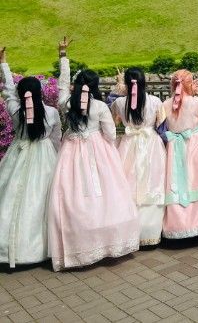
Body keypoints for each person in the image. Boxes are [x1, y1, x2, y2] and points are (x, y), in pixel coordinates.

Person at [49, 37, 139, 271]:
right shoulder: (99, 106)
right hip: (98, 150)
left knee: (74, 194)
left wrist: (63, 56)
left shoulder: (67, 103)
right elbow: (110, 133)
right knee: (106, 193)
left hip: (71, 150)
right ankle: (108, 240)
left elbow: (62, 87)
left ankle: (78, 243)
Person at [0, 47, 61, 268]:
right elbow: (56, 138)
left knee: (11, 199)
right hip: (45, 158)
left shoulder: (16, 110)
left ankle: (9, 248)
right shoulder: (52, 113)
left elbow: (8, 91)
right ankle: (41, 248)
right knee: (42, 201)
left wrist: (4, 63)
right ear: (40, 93)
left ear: (21, 93)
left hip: (18, 153)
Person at [111, 67, 167, 247]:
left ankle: (128, 231)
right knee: (153, 184)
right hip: (151, 145)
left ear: (126, 83)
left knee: (128, 183)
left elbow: (113, 123)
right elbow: (162, 125)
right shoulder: (156, 101)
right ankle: (150, 232)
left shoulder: (119, 103)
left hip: (128, 146)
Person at [161, 69, 198, 239]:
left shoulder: (165, 105)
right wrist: (194, 94)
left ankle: (177, 225)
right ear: (189, 84)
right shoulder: (197, 103)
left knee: (175, 182)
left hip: (173, 147)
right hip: (194, 146)